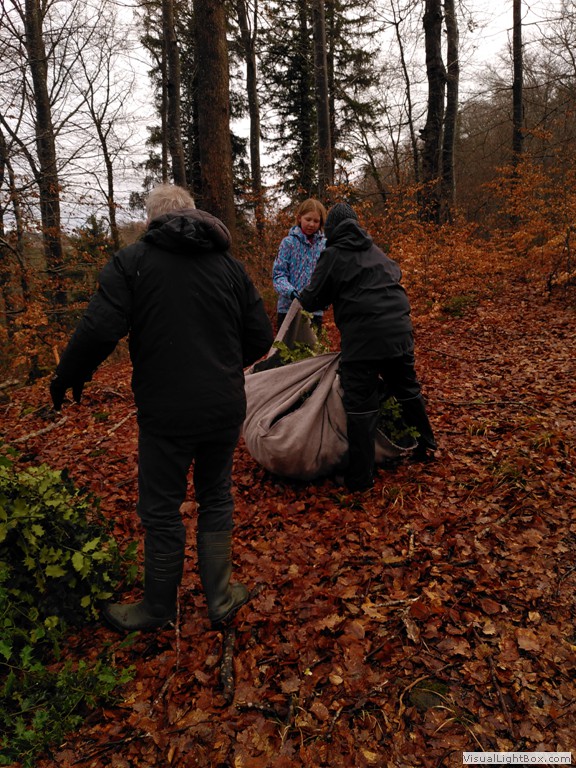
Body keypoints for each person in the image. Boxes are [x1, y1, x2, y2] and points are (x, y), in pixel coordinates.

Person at [49, 184, 274, 632]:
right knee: (215, 497)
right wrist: (222, 365)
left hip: (166, 412)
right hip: (223, 406)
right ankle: (220, 598)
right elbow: (261, 338)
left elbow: (99, 329)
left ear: (152, 221)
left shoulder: (133, 263)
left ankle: (157, 608)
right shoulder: (229, 266)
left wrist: (69, 374)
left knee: (161, 508)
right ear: (194, 215)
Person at [298, 202, 436, 492]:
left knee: (360, 404)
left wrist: (301, 295)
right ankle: (428, 445)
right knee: (407, 388)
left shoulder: (333, 254)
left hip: (363, 340)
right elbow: (395, 275)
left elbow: (312, 299)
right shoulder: (376, 251)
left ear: (331, 230)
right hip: (399, 332)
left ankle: (360, 479)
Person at [272, 198, 327, 331]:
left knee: (313, 345)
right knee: (286, 345)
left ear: (320, 223)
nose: (311, 224)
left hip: (314, 311)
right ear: (299, 218)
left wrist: (325, 297)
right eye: (308, 219)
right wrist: (290, 292)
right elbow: (278, 275)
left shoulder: (324, 245)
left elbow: (327, 276)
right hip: (288, 309)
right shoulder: (288, 243)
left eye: (316, 221)